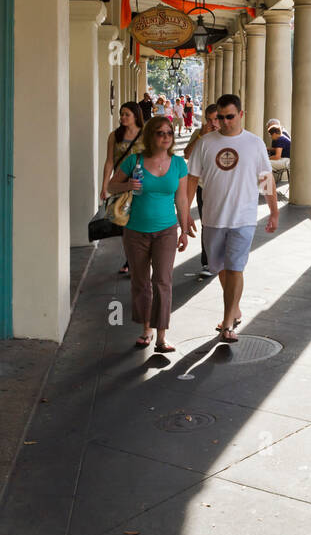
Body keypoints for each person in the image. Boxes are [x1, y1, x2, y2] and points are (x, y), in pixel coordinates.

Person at [186, 93, 277, 342]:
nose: (225, 122)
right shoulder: (205, 143)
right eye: (221, 117)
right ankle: (234, 307)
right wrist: (184, 213)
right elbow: (192, 178)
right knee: (220, 269)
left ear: (241, 115)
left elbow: (266, 179)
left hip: (244, 218)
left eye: (230, 117)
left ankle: (228, 322)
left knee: (235, 268)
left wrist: (274, 211)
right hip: (213, 218)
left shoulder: (255, 143)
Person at [108, 114, 193, 354]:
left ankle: (162, 336)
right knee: (140, 282)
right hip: (135, 230)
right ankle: (146, 329)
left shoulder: (178, 164)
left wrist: (184, 230)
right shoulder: (134, 161)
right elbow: (111, 186)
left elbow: (182, 198)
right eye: (160, 133)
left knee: (163, 281)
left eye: (169, 133)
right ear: (151, 136)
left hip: (166, 230)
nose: (166, 137)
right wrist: (127, 185)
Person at [100, 101, 144, 276]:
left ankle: (137, 260)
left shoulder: (145, 135)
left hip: (141, 185)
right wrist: (105, 185)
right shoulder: (114, 135)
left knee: (139, 224)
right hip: (120, 185)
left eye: (127, 114)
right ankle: (131, 260)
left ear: (135, 115)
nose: (123, 117)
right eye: (121, 114)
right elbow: (109, 161)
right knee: (124, 225)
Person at [185, 103, 220, 278]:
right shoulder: (200, 134)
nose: (213, 123)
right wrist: (201, 136)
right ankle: (207, 261)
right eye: (209, 120)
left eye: (216, 119)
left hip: (223, 189)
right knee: (206, 224)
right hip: (203, 187)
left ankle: (221, 259)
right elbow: (186, 153)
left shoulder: (228, 136)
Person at [265, 118, 291, 184]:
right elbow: (278, 149)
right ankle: (266, 186)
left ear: (274, 134)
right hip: (286, 159)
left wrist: (266, 158)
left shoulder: (280, 140)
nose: (270, 137)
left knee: (264, 163)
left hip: (286, 161)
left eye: (270, 135)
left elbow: (277, 156)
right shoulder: (282, 137)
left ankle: (266, 187)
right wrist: (269, 149)